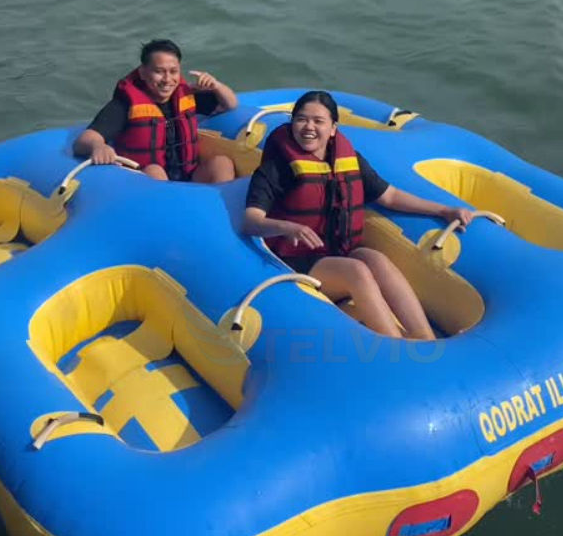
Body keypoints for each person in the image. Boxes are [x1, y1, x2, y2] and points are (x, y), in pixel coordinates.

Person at [243, 90, 474, 340]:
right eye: (301, 119)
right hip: (296, 263)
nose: (309, 127)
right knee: (356, 270)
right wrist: (288, 228)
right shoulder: (277, 168)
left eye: (318, 121)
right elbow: (251, 221)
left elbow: (390, 196)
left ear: (333, 128)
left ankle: (425, 338)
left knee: (374, 259)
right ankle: (398, 346)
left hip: (337, 254)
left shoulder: (348, 159)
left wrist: (444, 210)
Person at [73, 39, 238, 183]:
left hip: (188, 176)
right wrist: (98, 146)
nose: (167, 79)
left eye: (173, 71)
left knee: (222, 163)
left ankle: (218, 207)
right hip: (147, 182)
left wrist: (216, 86)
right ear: (143, 73)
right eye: (159, 72)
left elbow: (230, 104)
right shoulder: (125, 105)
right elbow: (85, 139)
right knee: (155, 171)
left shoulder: (186, 96)